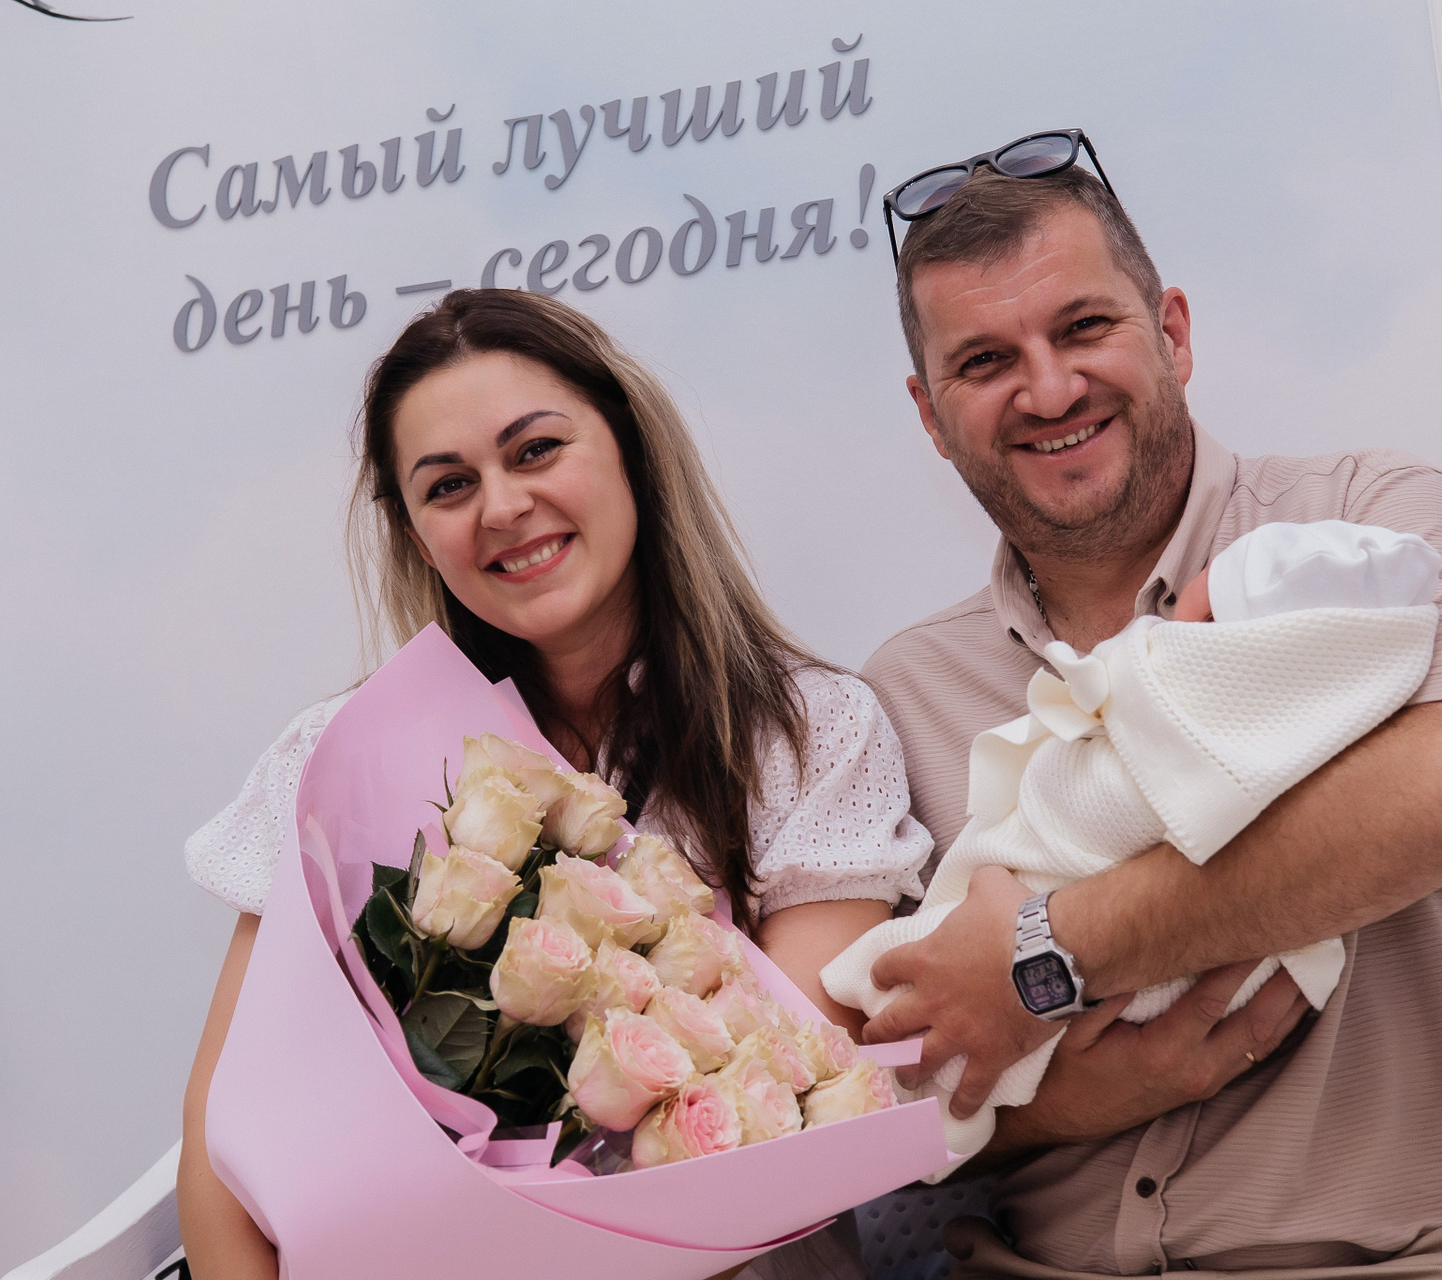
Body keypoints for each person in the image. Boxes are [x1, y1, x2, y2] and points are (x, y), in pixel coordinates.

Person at [854, 142, 1442, 1277]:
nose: (1049, 390)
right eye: (985, 361)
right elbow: (870, 1096)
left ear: (1173, 332)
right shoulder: (904, 691)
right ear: (929, 414)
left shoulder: (1367, 525)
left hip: (1413, 1259)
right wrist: (1062, 1106)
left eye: (1084, 328)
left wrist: (1044, 956)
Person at [175, 290, 933, 1279]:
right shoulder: (331, 761)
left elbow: (783, 1117)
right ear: (415, 532)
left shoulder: (809, 734)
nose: (500, 507)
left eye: (535, 450)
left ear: (630, 449)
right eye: (448, 485)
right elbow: (225, 1142)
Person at [823, 521, 1442, 1163]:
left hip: (1357, 1187)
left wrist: (1029, 962)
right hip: (1031, 1210)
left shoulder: (1356, 504)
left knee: (910, 1010)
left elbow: (1097, 803)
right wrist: (1058, 1109)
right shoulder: (907, 681)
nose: (1171, 628)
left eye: (1201, 613)